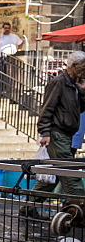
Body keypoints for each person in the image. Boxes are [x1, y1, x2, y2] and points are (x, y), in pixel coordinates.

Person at [33, 51, 85, 196]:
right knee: (68, 172)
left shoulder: (73, 84)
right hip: (58, 133)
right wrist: (45, 132)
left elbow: (79, 108)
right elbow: (47, 108)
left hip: (66, 133)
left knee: (54, 175)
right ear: (74, 66)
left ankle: (28, 208)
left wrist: (82, 92)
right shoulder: (59, 82)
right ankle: (80, 202)